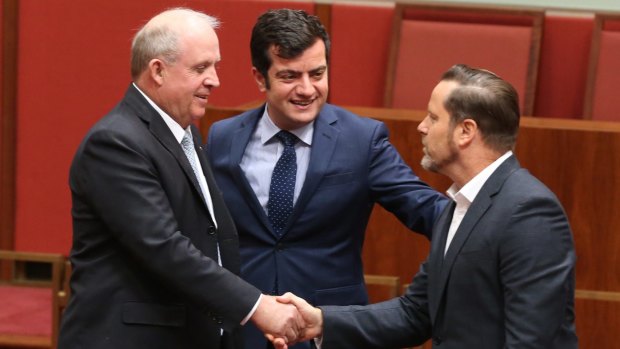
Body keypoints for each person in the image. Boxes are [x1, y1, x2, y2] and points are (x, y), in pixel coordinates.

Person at [276, 64, 578, 349]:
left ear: (465, 131)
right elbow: (416, 312)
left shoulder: (528, 211)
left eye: (433, 118)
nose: (422, 127)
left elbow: (530, 342)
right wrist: (321, 321)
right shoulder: (458, 207)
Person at [58, 8, 304, 349]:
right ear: (158, 71)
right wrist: (256, 306)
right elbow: (163, 247)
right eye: (201, 68)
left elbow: (213, 238)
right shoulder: (116, 142)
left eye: (215, 66)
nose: (215, 79)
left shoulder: (184, 135)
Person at [206, 8, 448, 349]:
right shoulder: (222, 138)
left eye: (317, 73)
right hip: (245, 331)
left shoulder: (361, 140)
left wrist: (491, 227)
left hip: (329, 330)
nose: (307, 89)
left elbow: (425, 208)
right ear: (260, 78)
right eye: (290, 76)